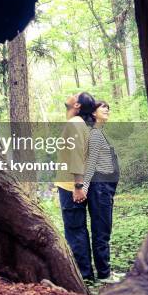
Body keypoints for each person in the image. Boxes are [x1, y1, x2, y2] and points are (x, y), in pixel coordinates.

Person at [55, 92, 96, 280]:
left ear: (77, 105)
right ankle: (85, 273)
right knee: (78, 228)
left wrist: (78, 186)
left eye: (74, 95)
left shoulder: (74, 124)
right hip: (73, 183)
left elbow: (77, 156)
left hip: (70, 185)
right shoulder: (80, 124)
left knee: (74, 229)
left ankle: (82, 275)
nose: (70, 95)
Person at [83, 100, 121, 284]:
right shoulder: (96, 134)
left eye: (108, 107)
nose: (107, 109)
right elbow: (90, 163)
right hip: (99, 188)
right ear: (93, 113)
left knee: (104, 229)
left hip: (104, 189)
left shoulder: (100, 133)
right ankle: (104, 274)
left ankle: (105, 271)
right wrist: (84, 187)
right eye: (102, 107)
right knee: (101, 231)